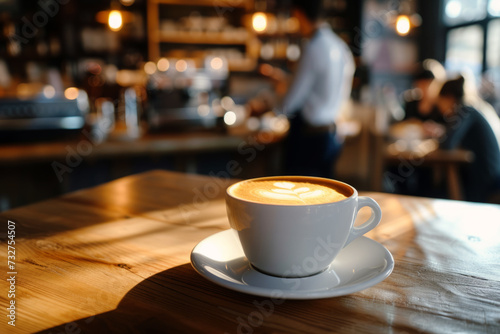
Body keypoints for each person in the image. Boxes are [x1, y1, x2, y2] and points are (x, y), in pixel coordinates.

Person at [280, 0, 355, 178]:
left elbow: (291, 101)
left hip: (308, 138)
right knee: (325, 196)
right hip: (331, 134)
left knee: (297, 196)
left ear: (299, 14)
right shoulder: (340, 46)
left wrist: (276, 107)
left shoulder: (313, 48)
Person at [436, 76, 500, 202]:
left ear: (449, 98)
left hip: (487, 179)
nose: (440, 109)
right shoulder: (471, 110)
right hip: (487, 174)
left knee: (440, 190)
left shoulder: (465, 111)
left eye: (441, 102)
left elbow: (447, 144)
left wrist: (440, 135)